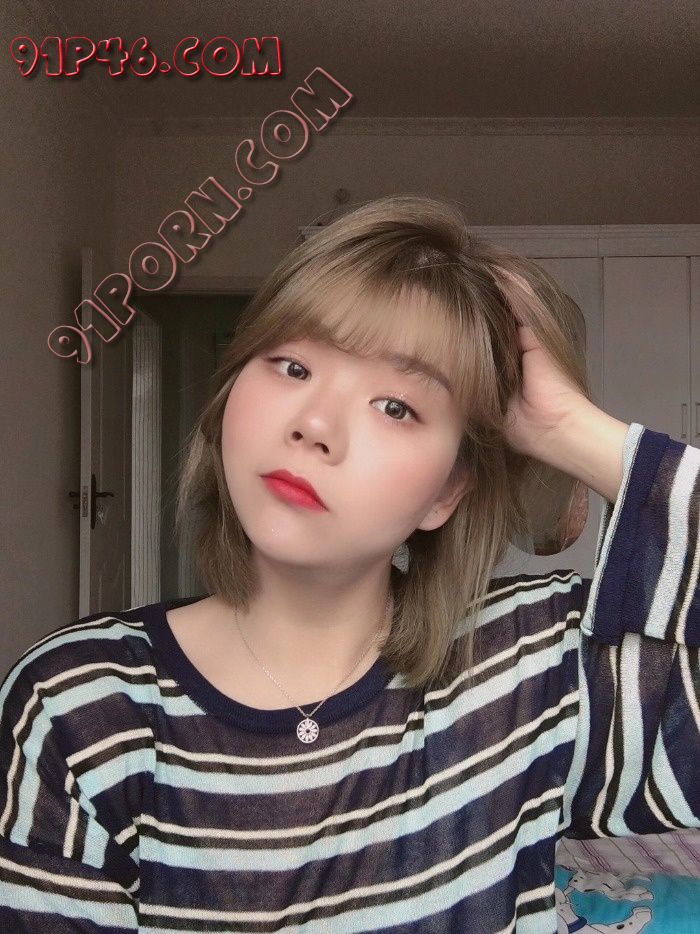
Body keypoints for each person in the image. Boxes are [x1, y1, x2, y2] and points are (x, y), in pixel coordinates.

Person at [1, 195, 698, 932]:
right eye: (292, 365)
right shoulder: (78, 708)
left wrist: (570, 430)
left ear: (448, 491)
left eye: (396, 406)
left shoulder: (533, 672)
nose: (315, 425)